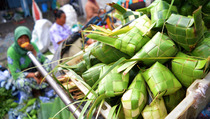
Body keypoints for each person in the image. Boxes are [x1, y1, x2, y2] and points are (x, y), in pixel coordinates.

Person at [7, 26, 51, 102]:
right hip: (24, 75)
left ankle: (45, 81)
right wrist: (34, 75)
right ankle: (34, 92)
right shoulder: (12, 51)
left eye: (26, 38)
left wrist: (33, 50)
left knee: (49, 62)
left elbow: (42, 59)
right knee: (21, 83)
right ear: (16, 38)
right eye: (20, 38)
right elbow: (16, 74)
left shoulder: (32, 45)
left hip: (36, 70)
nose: (23, 40)